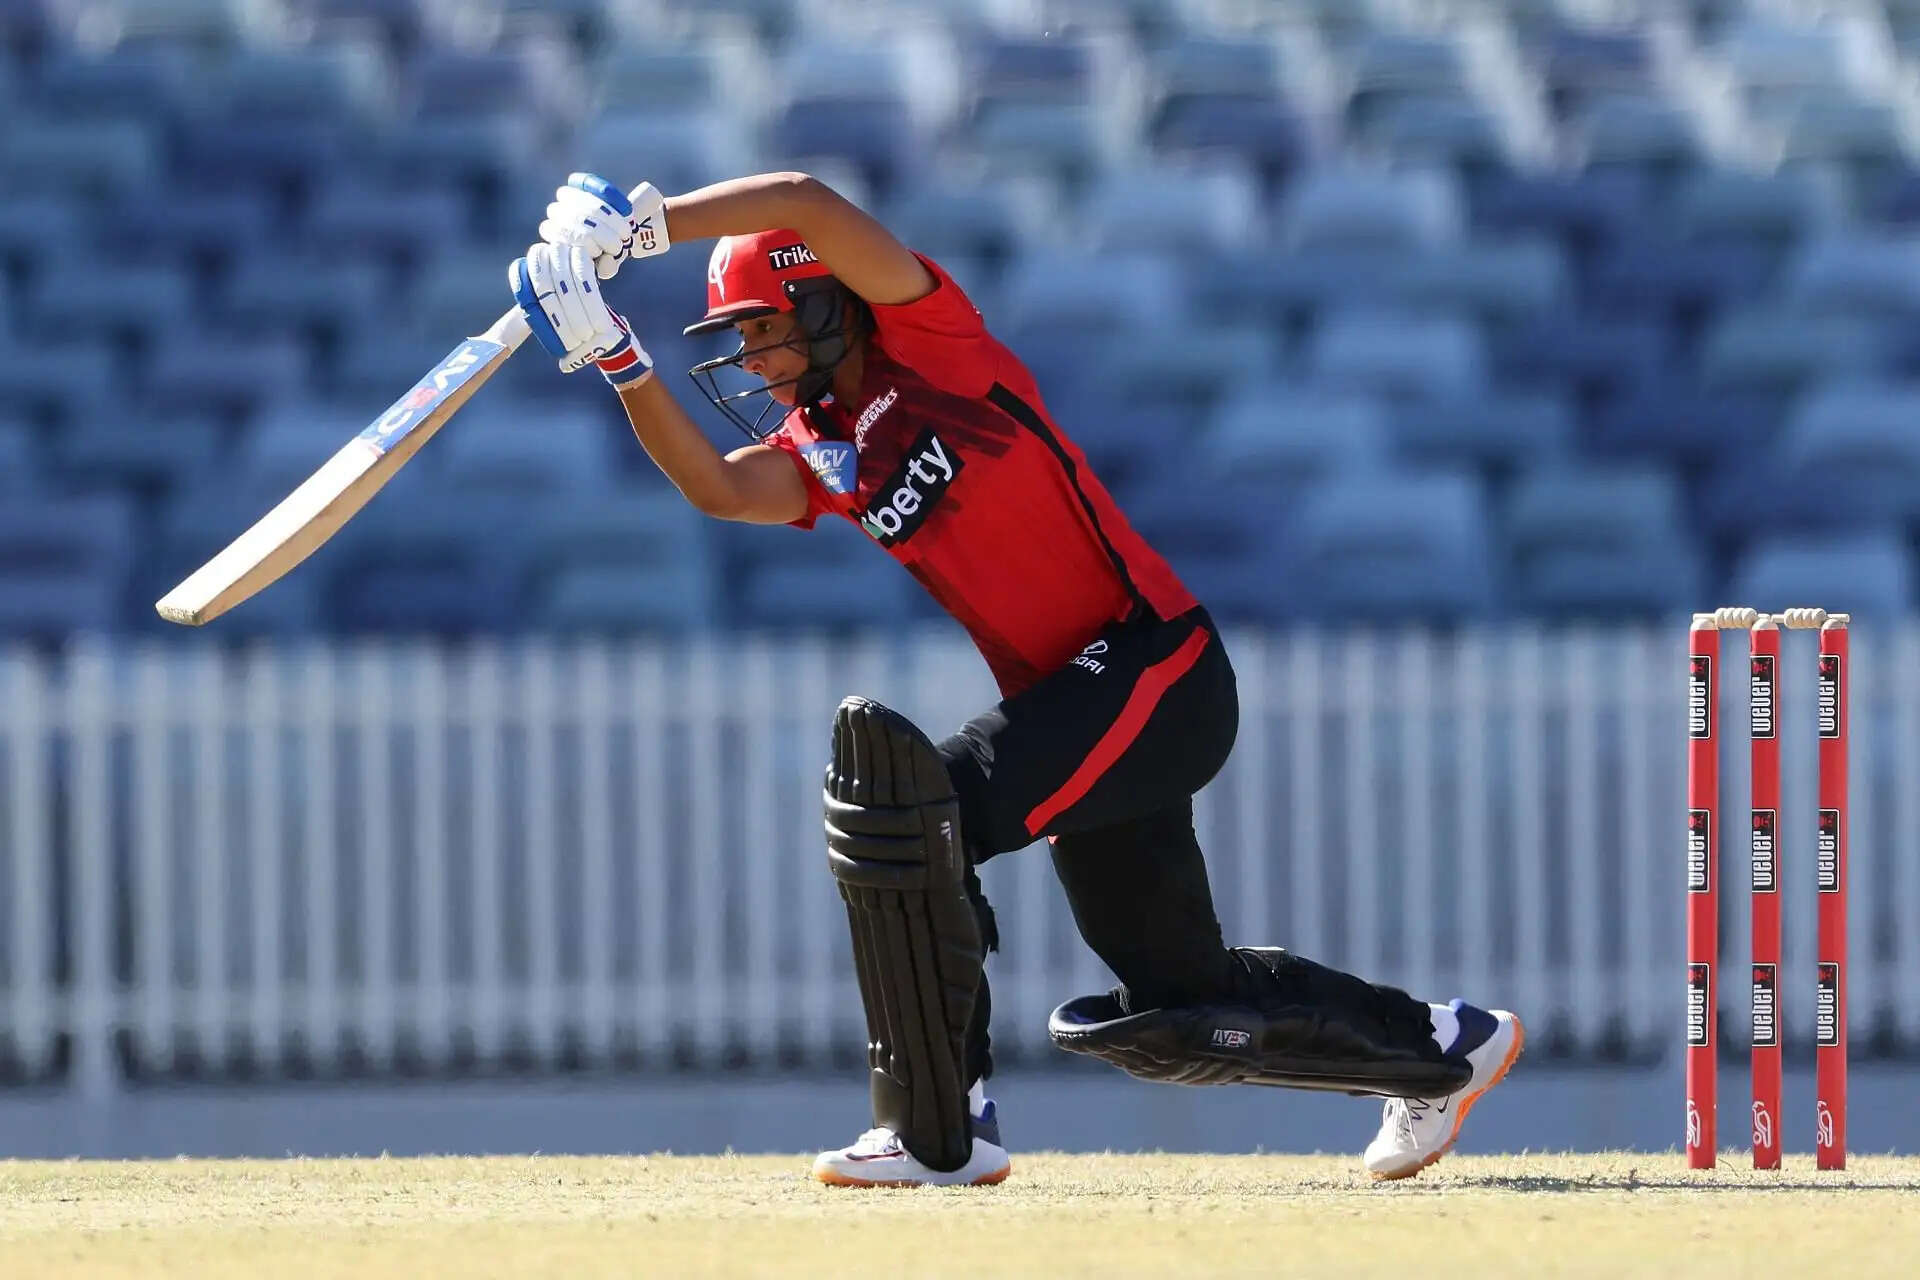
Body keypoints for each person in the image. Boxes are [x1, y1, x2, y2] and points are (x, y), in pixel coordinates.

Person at [506, 170, 1524, 1186]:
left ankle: (941, 1127)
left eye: (765, 327)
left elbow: (807, 203)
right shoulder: (822, 448)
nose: (752, 358)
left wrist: (646, 229)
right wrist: (617, 358)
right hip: (1083, 707)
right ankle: (1444, 1046)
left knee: (913, 809)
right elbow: (721, 489)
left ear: (827, 302)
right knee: (1183, 1002)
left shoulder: (930, 340)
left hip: (1154, 664)